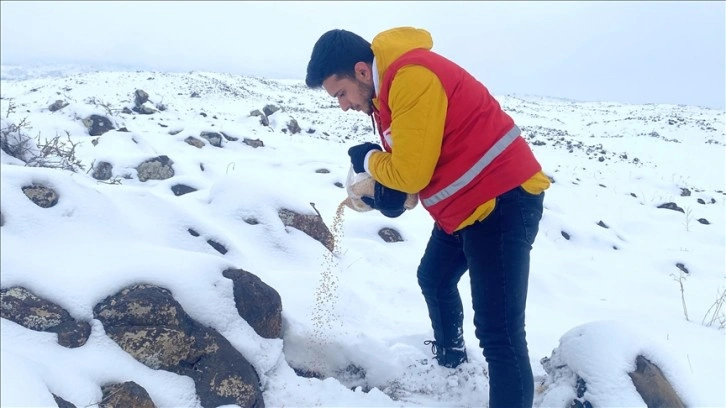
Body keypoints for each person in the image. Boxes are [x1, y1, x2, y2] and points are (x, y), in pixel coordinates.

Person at [305, 26, 550, 408]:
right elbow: (417, 168)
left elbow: (410, 172)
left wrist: (369, 159)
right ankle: (452, 365)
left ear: (361, 72)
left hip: (502, 201)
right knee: (434, 278)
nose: (343, 105)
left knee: (499, 334)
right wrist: (388, 194)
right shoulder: (386, 93)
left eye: (341, 93)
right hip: (467, 207)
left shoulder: (411, 77)